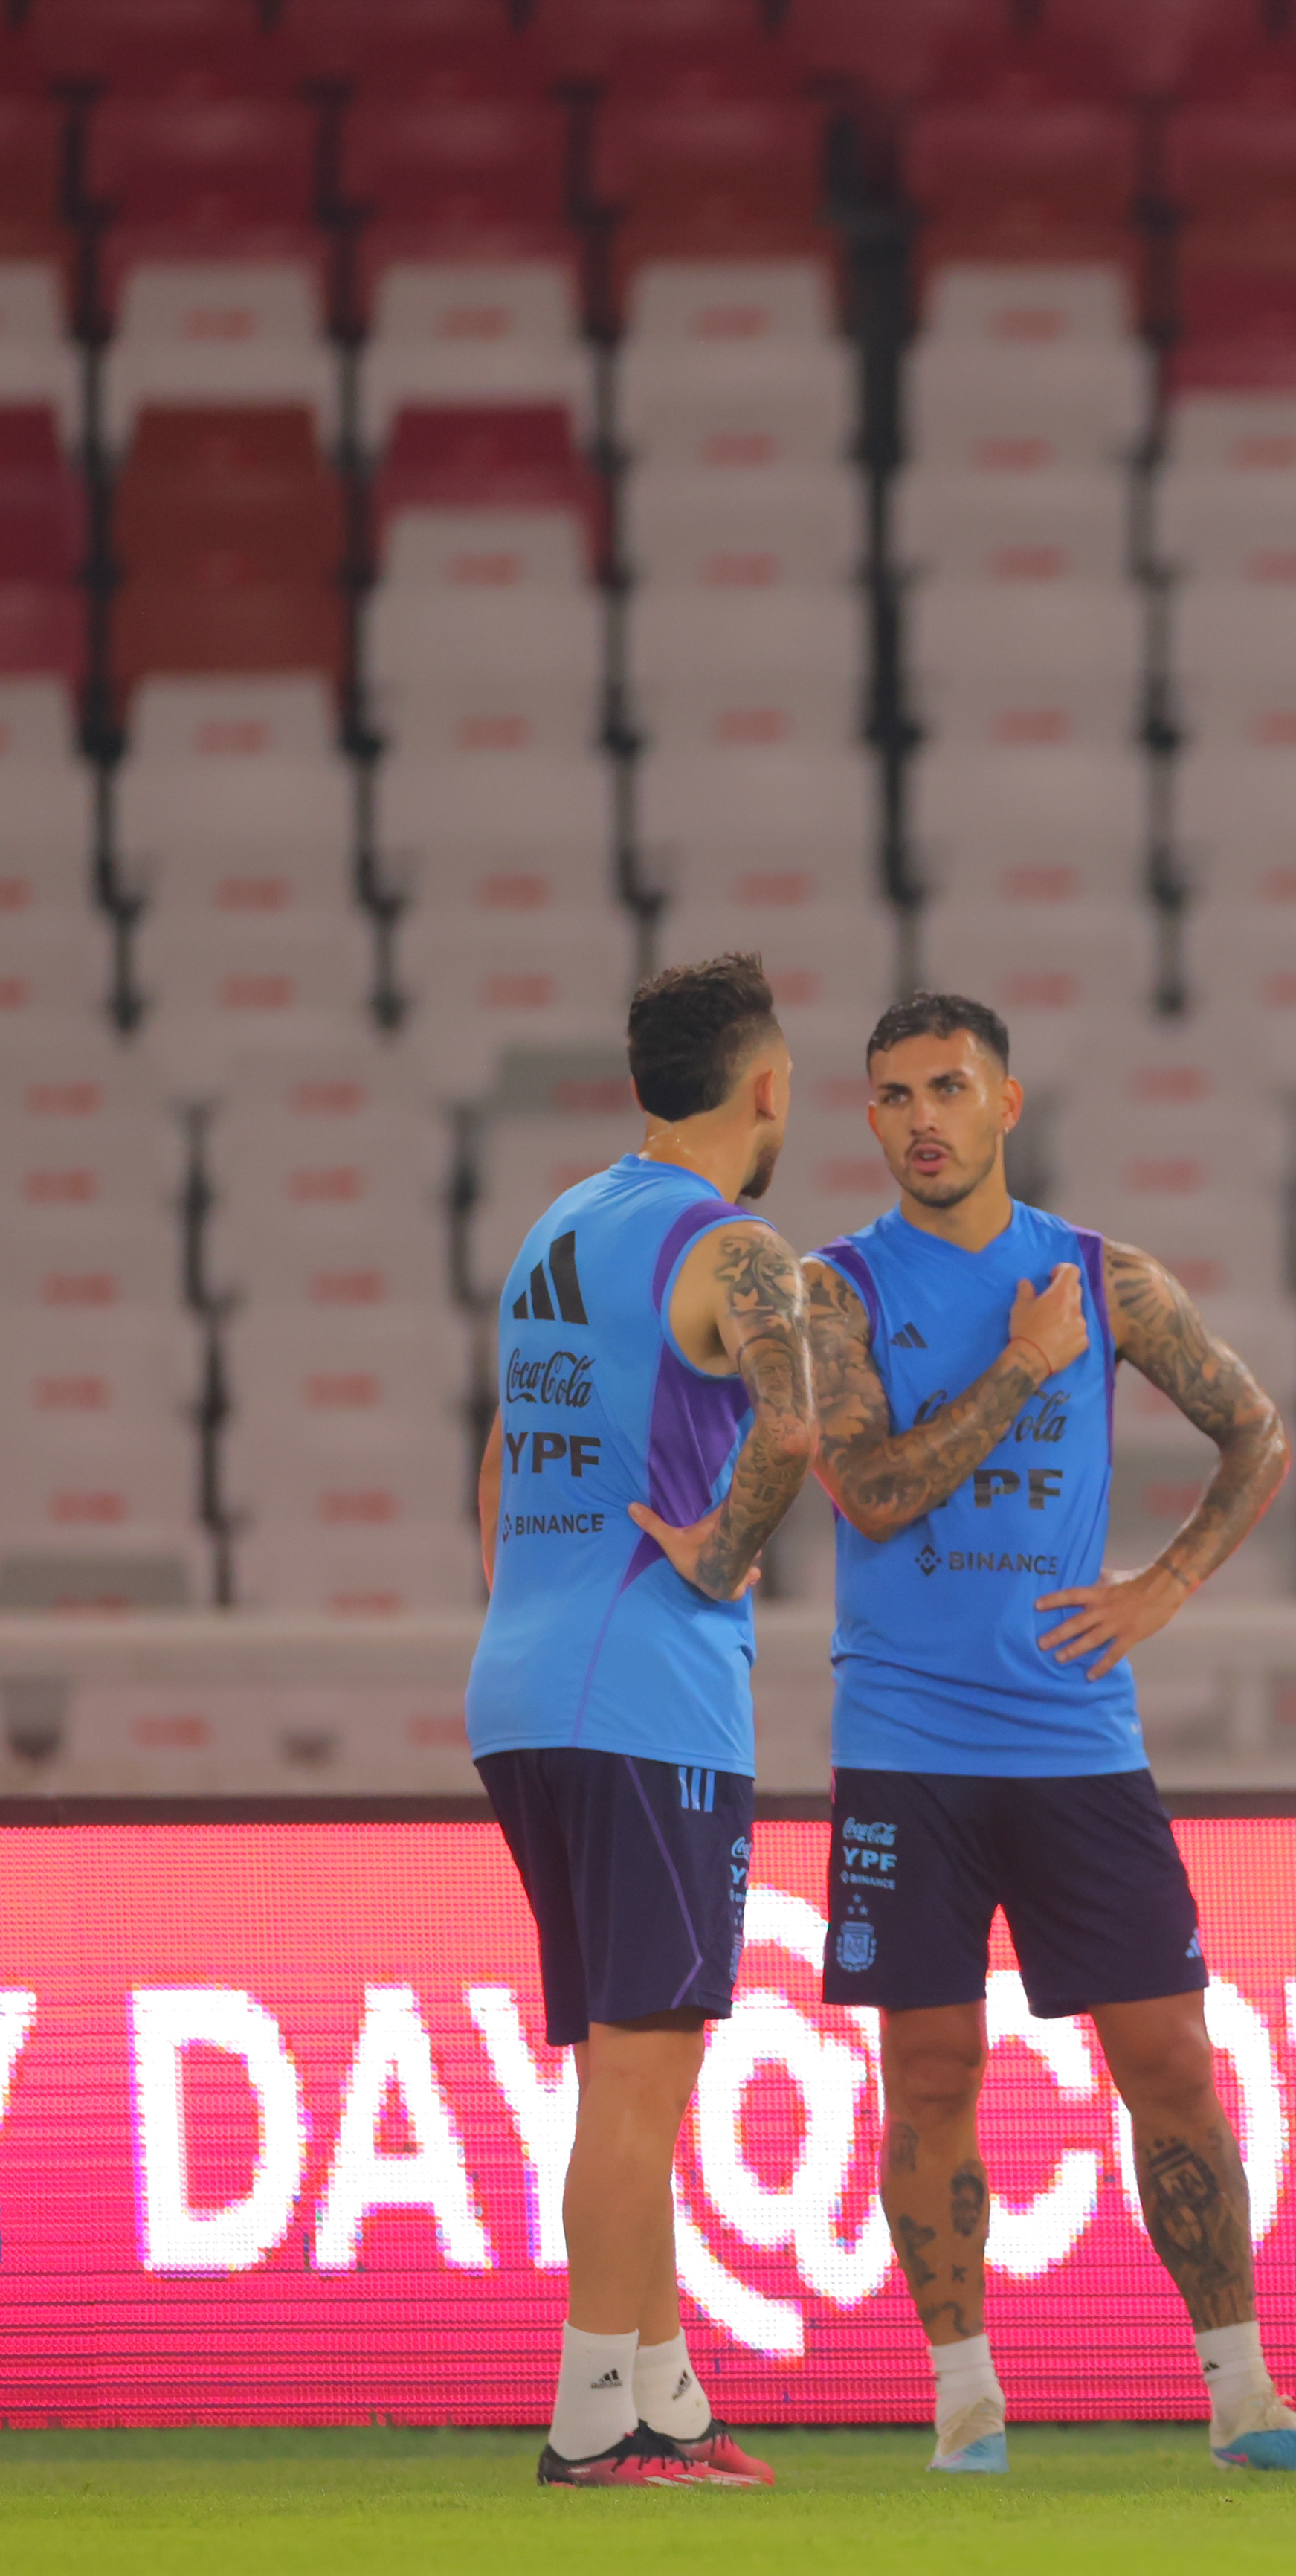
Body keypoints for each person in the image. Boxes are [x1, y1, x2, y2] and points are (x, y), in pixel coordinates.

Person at [801, 994, 1296, 2477]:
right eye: (894, 1095)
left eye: (949, 1087)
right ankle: (967, 2410)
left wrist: (1163, 1586)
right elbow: (870, 1493)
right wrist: (1021, 1367)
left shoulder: (1107, 1280)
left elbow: (1258, 1431)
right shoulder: (835, 1290)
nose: (922, 1118)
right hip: (906, 1741)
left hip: (1074, 1737)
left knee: (1170, 2059)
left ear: (1006, 1102)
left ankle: (1246, 2401)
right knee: (931, 2073)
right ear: (869, 1119)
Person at [468, 952, 819, 2488]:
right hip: (647, 1694)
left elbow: (502, 1450)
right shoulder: (733, 1244)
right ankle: (590, 2418)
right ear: (769, 1088)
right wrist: (723, 1552)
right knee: (642, 2073)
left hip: (527, 1682)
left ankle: (667, 2396)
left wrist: (530, 1601)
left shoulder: (558, 1228)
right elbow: (797, 1422)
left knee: (629, 2065)